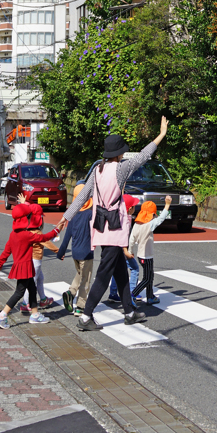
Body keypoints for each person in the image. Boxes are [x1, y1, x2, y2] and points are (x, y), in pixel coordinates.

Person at [62, 115, 169, 331]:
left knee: (120, 270)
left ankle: (129, 311)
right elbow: (144, 155)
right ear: (119, 153)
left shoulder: (97, 170)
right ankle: (86, 316)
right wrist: (161, 135)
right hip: (115, 227)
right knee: (104, 274)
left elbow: (82, 198)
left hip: (101, 225)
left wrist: (66, 216)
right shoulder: (121, 168)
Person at [0, 202, 60, 327]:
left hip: (25, 268)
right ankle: (2, 315)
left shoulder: (13, 235)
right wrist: (57, 229)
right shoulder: (27, 235)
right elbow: (44, 238)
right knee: (19, 292)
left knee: (32, 289)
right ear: (25, 219)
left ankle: (35, 315)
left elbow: (7, 250)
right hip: (25, 268)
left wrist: (0, 262)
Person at [57, 183, 94, 315]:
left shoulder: (72, 215)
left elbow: (67, 236)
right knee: (85, 280)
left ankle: (70, 293)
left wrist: (61, 252)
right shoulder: (90, 214)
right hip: (87, 253)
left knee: (80, 274)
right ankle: (80, 306)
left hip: (75, 253)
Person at [130, 195, 171, 304]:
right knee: (147, 278)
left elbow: (131, 239)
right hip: (146, 255)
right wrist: (167, 205)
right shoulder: (149, 224)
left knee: (150, 276)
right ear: (151, 214)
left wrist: (130, 251)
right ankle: (132, 294)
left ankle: (150, 296)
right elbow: (161, 219)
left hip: (140, 255)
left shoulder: (137, 224)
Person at [108, 194, 140, 304]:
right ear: (130, 208)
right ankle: (132, 292)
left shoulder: (118, 216)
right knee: (135, 268)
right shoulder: (127, 219)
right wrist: (126, 251)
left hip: (115, 249)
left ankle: (113, 293)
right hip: (124, 250)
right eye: (134, 206)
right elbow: (124, 237)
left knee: (116, 271)